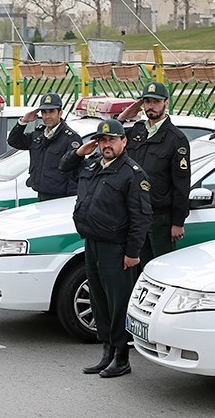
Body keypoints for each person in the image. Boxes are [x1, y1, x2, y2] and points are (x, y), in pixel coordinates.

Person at [60, 119, 152, 378]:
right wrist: (81, 151)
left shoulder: (132, 173)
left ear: (124, 141)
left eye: (112, 140)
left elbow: (141, 217)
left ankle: (121, 356)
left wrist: (133, 253)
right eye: (102, 141)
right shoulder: (92, 164)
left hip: (117, 248)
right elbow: (63, 166)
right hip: (92, 243)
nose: (106, 145)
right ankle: (107, 352)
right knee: (99, 300)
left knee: (118, 302)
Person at [115, 81, 190, 267]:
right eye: (147, 101)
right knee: (136, 268)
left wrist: (178, 221)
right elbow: (110, 137)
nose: (151, 106)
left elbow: (181, 184)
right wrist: (123, 116)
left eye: (156, 102)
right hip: (133, 213)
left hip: (159, 218)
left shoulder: (176, 139)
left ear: (166, 102)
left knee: (160, 268)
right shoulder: (137, 131)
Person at [7, 92, 82, 201]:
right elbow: (14, 141)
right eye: (44, 112)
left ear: (60, 113)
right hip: (41, 194)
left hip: (61, 198)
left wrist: (69, 201)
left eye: (51, 112)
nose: (47, 116)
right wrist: (24, 121)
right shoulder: (38, 134)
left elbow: (74, 173)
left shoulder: (70, 138)